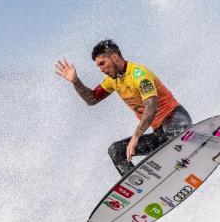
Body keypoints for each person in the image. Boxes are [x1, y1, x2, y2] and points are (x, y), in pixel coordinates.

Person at [55, 39, 191, 176]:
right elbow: (92, 99)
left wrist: (136, 137)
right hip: (160, 133)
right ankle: (138, 186)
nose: (101, 70)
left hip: (177, 121)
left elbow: (151, 108)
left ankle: (188, 152)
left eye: (103, 64)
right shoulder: (112, 81)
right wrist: (75, 81)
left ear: (114, 57)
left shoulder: (139, 74)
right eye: (98, 67)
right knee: (116, 150)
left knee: (171, 134)